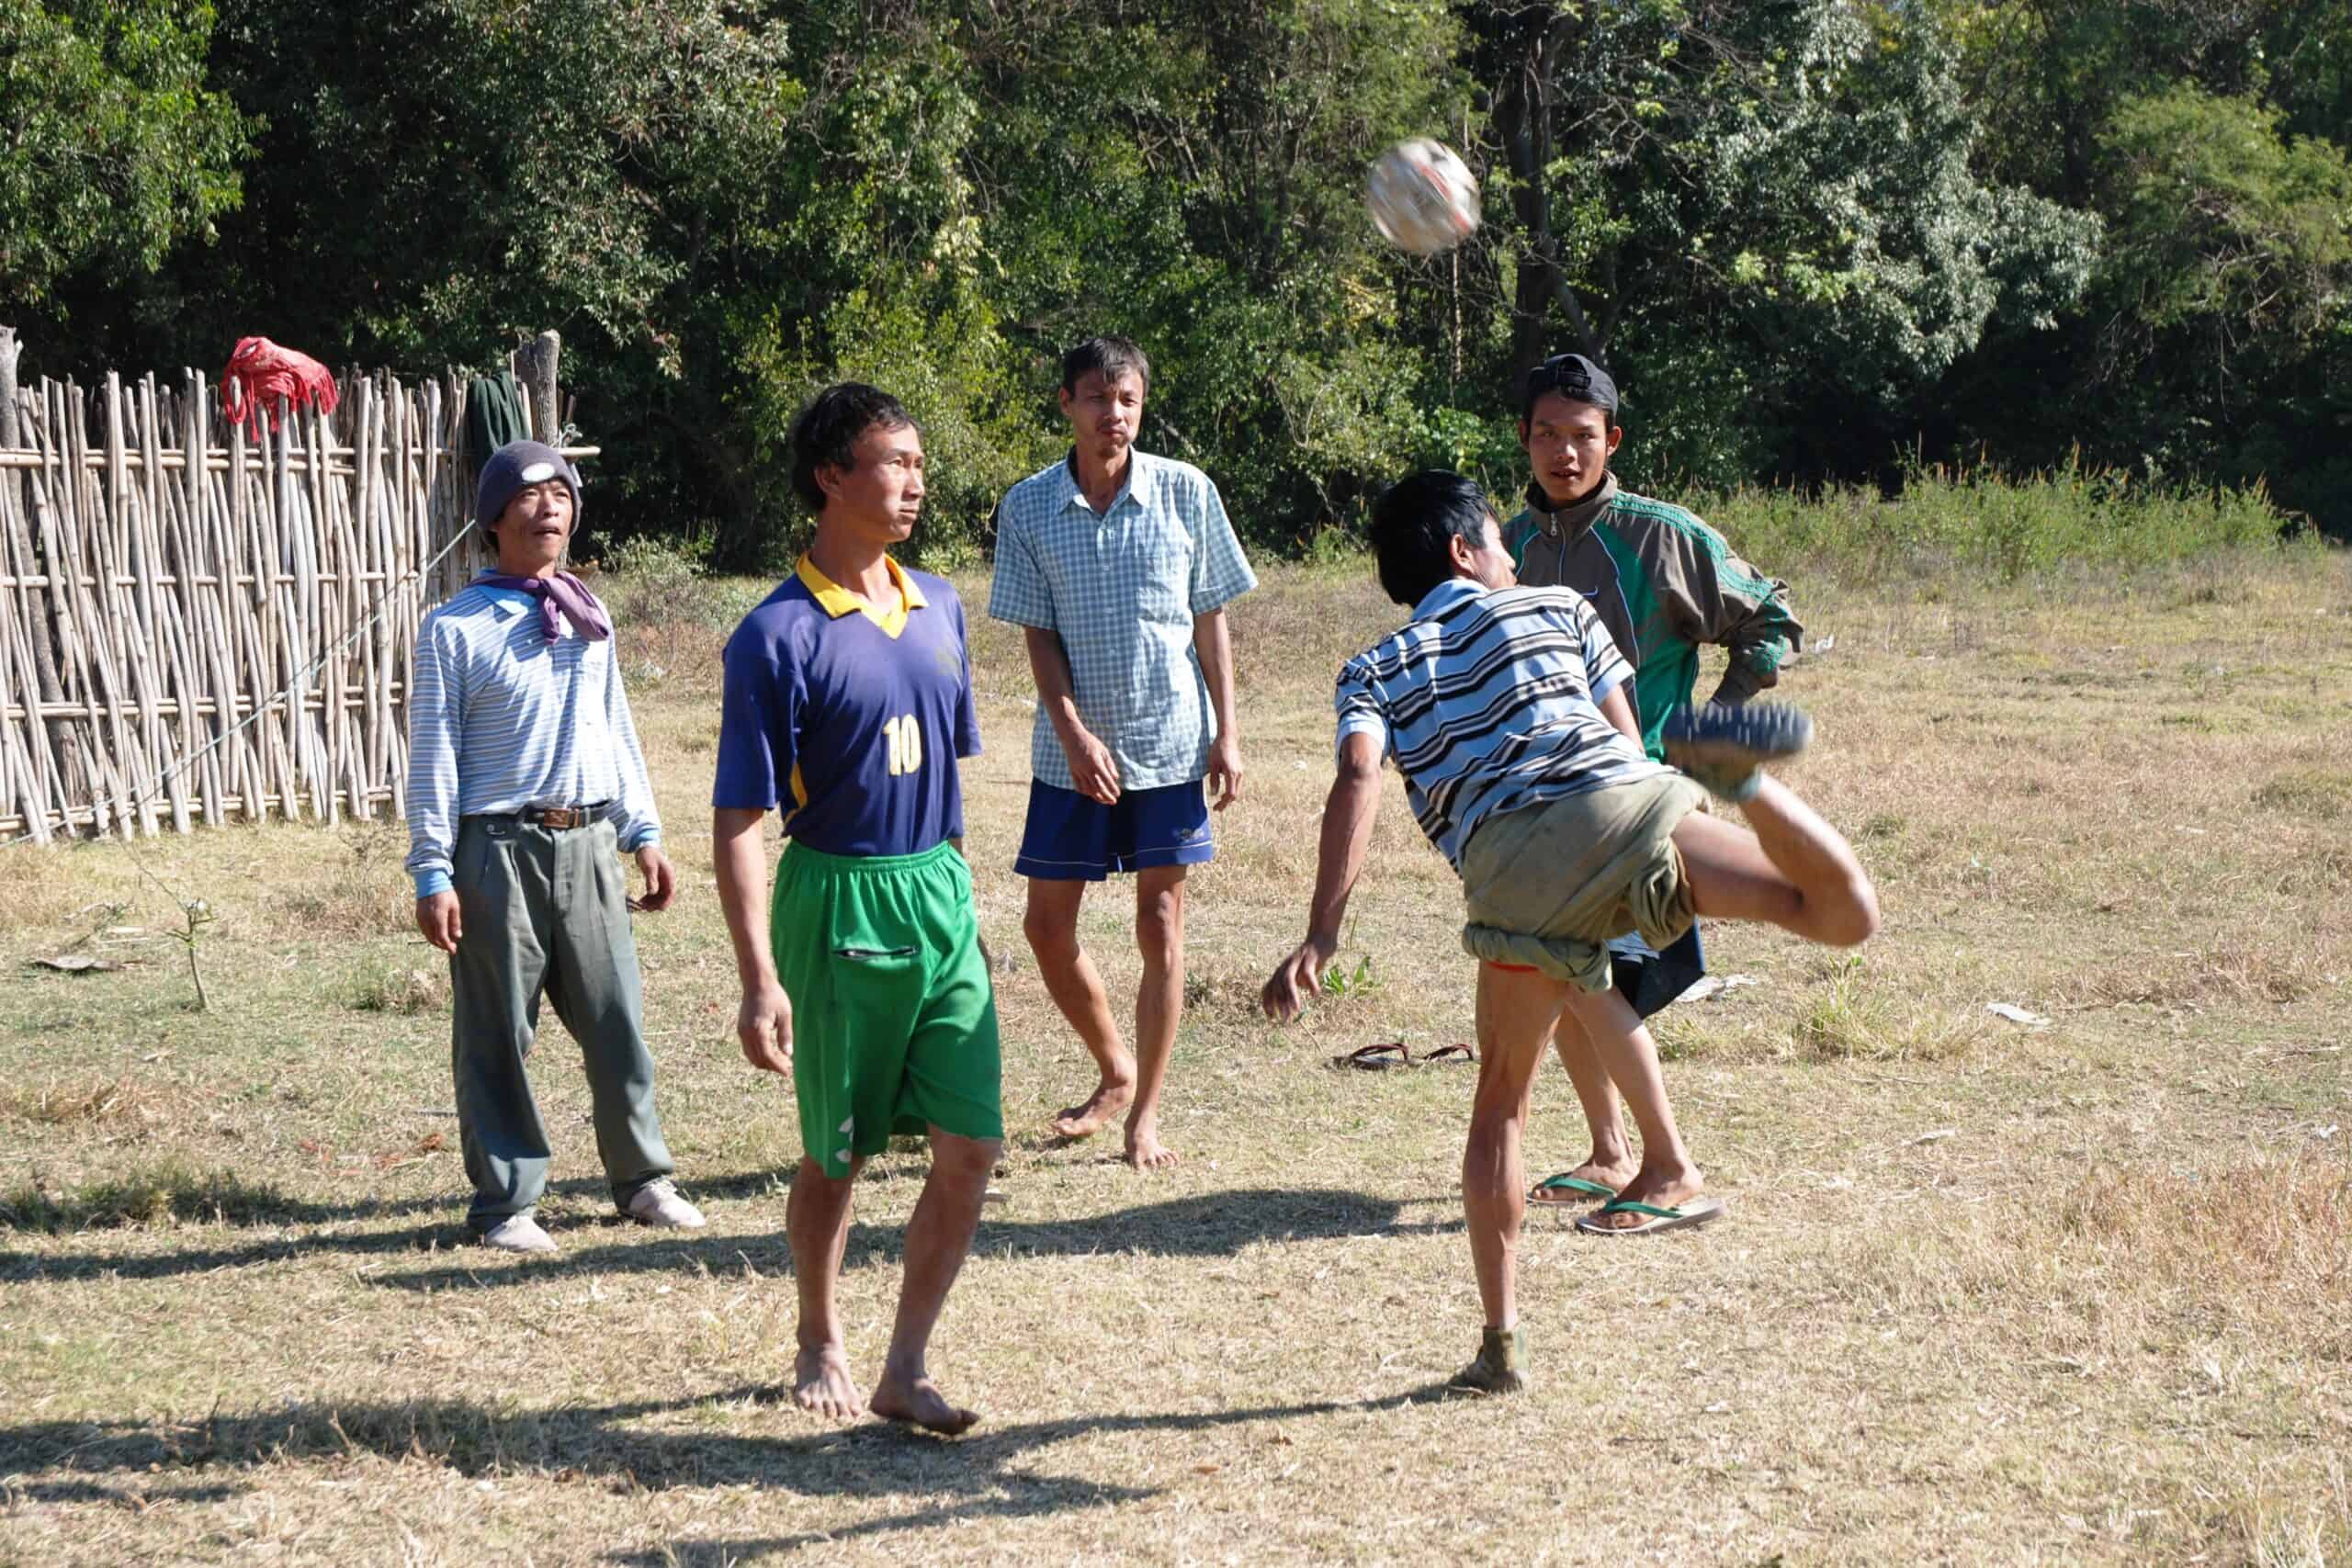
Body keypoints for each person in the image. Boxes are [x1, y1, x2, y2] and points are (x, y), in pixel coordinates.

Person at [1261, 471, 1877, 1394]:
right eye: (1498, 544)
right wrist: (1683, 814)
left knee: (1501, 1105)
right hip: (1626, 803)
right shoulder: (1558, 605)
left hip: (1512, 867)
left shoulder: (1372, 668)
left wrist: (1321, 931)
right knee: (1838, 916)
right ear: (1467, 550)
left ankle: (1500, 1344)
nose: (1512, 555)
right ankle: (1749, 783)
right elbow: (1623, 739)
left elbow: (1357, 779)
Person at [711, 383, 1000, 1436]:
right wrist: (759, 976)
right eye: (892, 461)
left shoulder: (940, 604)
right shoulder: (773, 637)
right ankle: (818, 1336)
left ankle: (905, 1364)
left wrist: (962, 902)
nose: (914, 481)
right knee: (840, 1151)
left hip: (936, 894)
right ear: (831, 475)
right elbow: (740, 818)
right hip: (834, 898)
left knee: (970, 1146)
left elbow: (948, 779)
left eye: (919, 463)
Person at [1504, 353, 1806, 1211]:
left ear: (1613, 440)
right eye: (1547, 436)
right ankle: (1610, 1152)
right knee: (1557, 974)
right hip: (1542, 805)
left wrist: (1718, 721)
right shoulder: (1512, 545)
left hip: (1642, 805)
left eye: (1583, 437)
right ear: (1525, 440)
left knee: (1586, 978)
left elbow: (1772, 617)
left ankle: (1670, 1166)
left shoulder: (1664, 535)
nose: (1565, 454)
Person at [406, 439, 705, 1254]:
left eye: (561, 494)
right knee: (498, 1031)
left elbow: (618, 730)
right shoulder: (453, 628)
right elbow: (433, 752)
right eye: (530, 495)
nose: (549, 507)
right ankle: (506, 1202)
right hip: (495, 848)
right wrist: (433, 868)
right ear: (495, 518)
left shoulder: (588, 617)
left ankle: (643, 1180)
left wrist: (643, 829)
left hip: (588, 843)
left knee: (617, 1018)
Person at [988, 335, 1257, 1169]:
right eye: (1099, 400)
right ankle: (1113, 1066)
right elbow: (1036, 633)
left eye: (1129, 400)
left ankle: (1145, 1114)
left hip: (1170, 742)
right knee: (1045, 925)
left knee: (1162, 922)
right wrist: (1071, 732)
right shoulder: (1028, 507)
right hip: (1071, 751)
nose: (1116, 416)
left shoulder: (1186, 491)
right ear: (1067, 403)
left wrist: (1227, 730)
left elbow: (1211, 615)